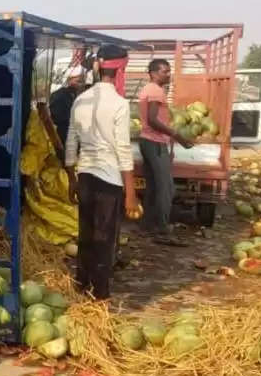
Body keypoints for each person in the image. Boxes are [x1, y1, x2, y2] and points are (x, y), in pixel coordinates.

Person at [64, 44, 139, 299]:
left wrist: (71, 179)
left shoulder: (80, 99)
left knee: (85, 234)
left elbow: (71, 140)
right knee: (105, 239)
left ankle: (81, 285)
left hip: (85, 175)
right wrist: (131, 193)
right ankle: (100, 292)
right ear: (120, 69)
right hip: (109, 179)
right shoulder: (120, 104)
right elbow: (123, 149)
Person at [137, 59, 193, 246]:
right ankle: (161, 230)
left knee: (153, 187)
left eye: (169, 71)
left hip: (147, 141)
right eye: (164, 71)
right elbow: (153, 119)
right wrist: (176, 135)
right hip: (155, 142)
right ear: (153, 73)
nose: (168, 75)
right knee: (166, 188)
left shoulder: (148, 89)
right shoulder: (155, 90)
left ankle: (147, 226)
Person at [49, 65, 87, 159]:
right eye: (78, 81)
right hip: (65, 135)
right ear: (69, 80)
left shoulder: (79, 95)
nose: (80, 84)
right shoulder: (58, 95)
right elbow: (56, 117)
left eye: (82, 81)